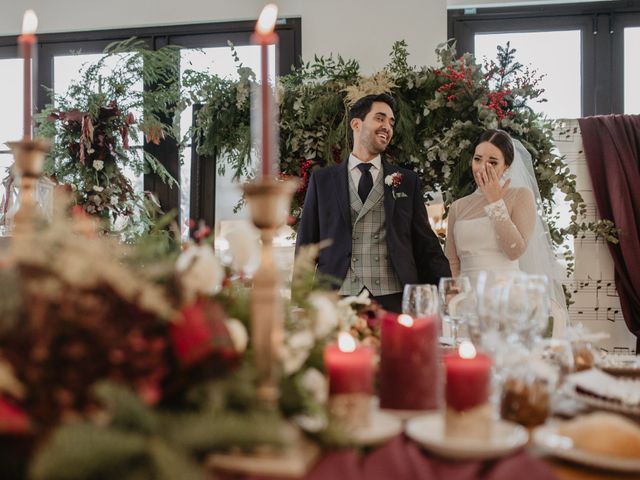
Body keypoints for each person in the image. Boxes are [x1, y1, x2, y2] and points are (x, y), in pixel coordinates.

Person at [295, 93, 451, 312]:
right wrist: (299, 301)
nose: (387, 126)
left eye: (391, 122)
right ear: (356, 124)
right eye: (380, 118)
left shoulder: (407, 181)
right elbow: (306, 244)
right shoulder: (322, 180)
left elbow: (425, 242)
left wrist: (447, 287)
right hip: (336, 297)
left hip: (394, 297)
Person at [444, 129, 568, 337]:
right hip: (466, 301)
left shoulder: (519, 196)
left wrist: (495, 202)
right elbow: (452, 259)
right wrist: (454, 297)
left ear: (506, 167)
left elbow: (515, 250)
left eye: (493, 162)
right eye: (477, 159)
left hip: (507, 299)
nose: (483, 167)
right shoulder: (458, 207)